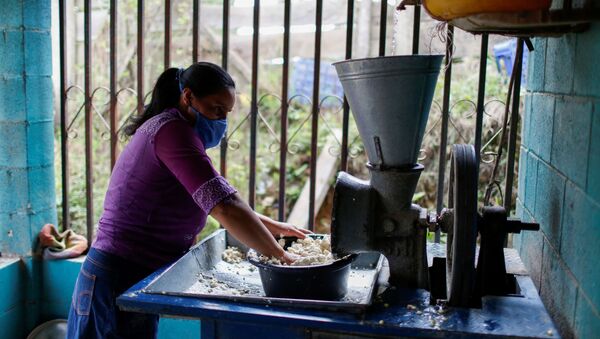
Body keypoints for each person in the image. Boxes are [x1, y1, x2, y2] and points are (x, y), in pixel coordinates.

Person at [66, 62, 309, 338]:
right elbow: (225, 207)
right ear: (188, 97)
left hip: (136, 275)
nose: (221, 121)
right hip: (116, 277)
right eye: (216, 109)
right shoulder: (172, 133)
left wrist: (274, 228)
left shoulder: (178, 132)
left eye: (226, 113)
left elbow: (215, 197)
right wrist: (283, 258)